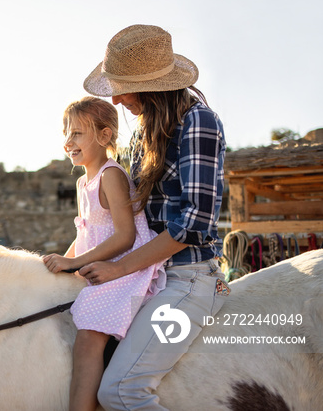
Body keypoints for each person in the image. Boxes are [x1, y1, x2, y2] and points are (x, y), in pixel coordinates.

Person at [82, 24, 230, 410]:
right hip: (148, 275)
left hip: (185, 276)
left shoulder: (200, 122)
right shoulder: (141, 135)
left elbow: (195, 221)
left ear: (151, 86)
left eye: (122, 87)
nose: (115, 101)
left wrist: (116, 269)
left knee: (119, 391)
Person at [42, 96, 166, 411]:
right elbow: (85, 234)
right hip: (99, 263)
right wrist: (60, 263)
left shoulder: (110, 175)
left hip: (124, 268)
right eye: (66, 134)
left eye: (77, 134)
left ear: (105, 135)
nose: (68, 142)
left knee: (88, 339)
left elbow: (125, 236)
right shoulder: (84, 181)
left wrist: (74, 262)